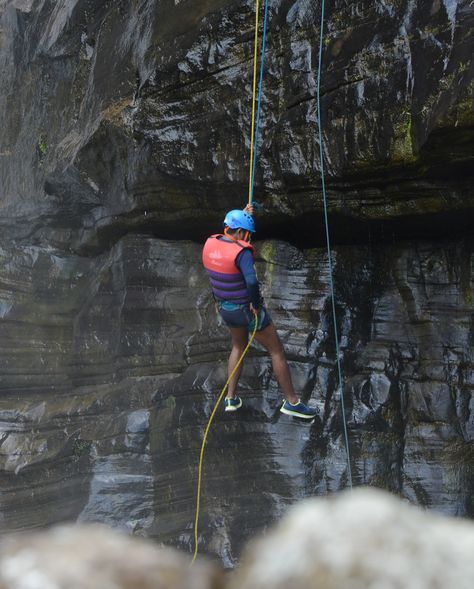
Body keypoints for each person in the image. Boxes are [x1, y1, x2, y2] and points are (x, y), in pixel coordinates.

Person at [202, 205, 317, 419]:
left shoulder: (210, 243)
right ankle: (292, 402)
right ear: (239, 232)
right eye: (246, 234)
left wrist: (245, 215)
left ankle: (231, 398)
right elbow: (252, 282)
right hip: (247, 310)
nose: (248, 238)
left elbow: (228, 251)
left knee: (238, 345)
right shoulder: (242, 253)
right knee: (276, 351)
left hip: (226, 309)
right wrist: (255, 303)